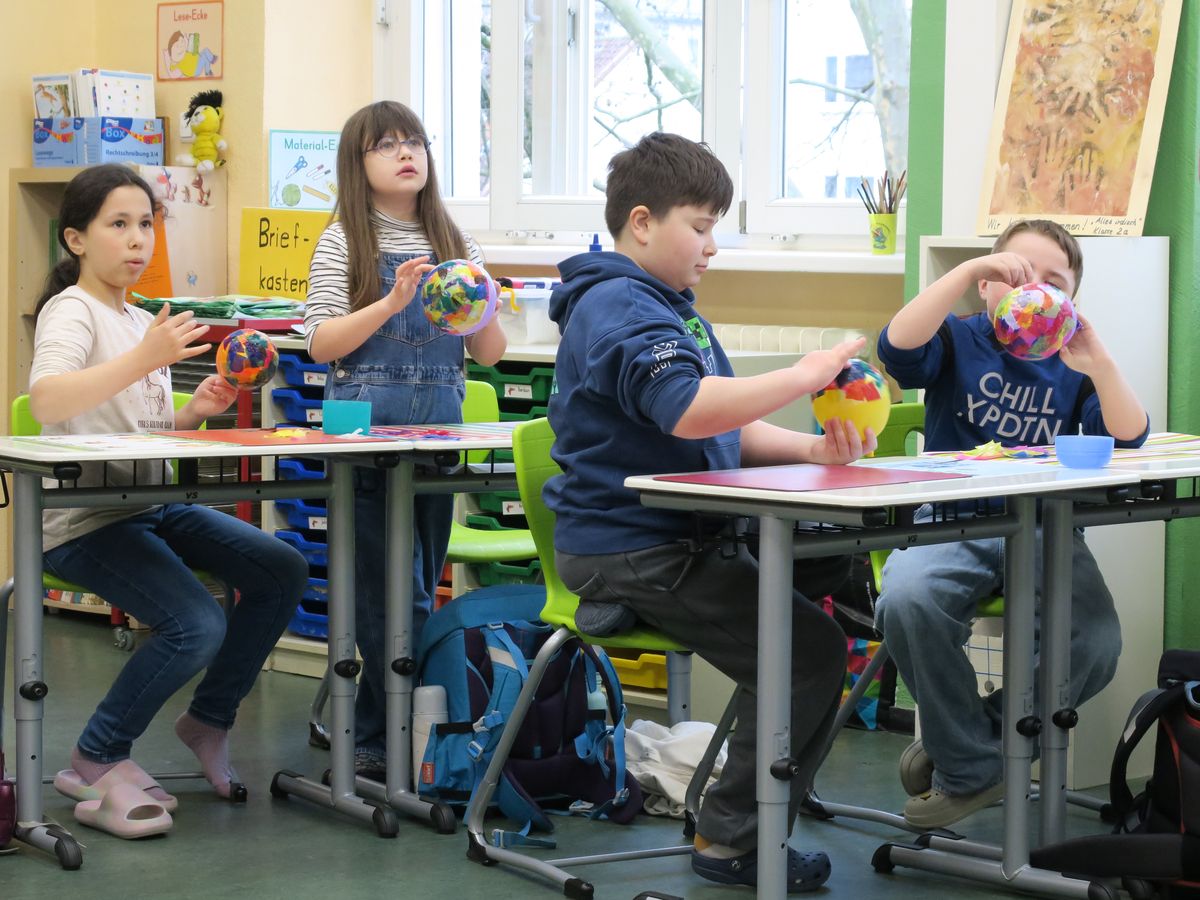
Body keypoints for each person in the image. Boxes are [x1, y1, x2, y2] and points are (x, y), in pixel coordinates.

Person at [545, 132, 877, 893]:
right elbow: (689, 408)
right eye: (700, 226)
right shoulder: (620, 305)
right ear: (641, 222)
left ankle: (750, 805)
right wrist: (802, 375)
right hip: (632, 547)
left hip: (677, 536)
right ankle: (732, 841)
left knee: (824, 585)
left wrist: (813, 450)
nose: (712, 246)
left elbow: (725, 427)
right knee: (807, 652)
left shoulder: (669, 309)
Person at [31, 164, 308, 837]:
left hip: (148, 503)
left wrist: (193, 410)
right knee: (196, 624)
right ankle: (97, 753)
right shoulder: (72, 309)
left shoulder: (135, 317)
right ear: (75, 239)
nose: (137, 240)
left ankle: (208, 720)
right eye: (118, 224)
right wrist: (145, 356)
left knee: (281, 568)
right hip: (87, 518)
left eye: (145, 225)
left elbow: (135, 421)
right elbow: (48, 400)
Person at [874, 218, 1149, 829]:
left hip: (1047, 524)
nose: (1034, 290)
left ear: (1071, 302)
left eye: (1055, 283)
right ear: (986, 288)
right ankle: (971, 766)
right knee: (907, 600)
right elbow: (895, 349)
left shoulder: (1073, 360)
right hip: (953, 519)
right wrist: (969, 268)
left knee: (1096, 641)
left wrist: (1100, 364)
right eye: (1016, 273)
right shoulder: (959, 336)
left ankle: (969, 750)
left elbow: (1130, 437)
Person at [304, 101, 507, 780]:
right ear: (356, 163)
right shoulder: (343, 239)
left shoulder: (455, 239)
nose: (406, 153)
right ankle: (385, 733)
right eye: (386, 145)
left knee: (419, 584)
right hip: (362, 437)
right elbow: (322, 343)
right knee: (387, 596)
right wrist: (392, 302)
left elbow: (490, 353)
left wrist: (486, 304)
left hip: (435, 437)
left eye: (415, 141)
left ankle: (397, 726)